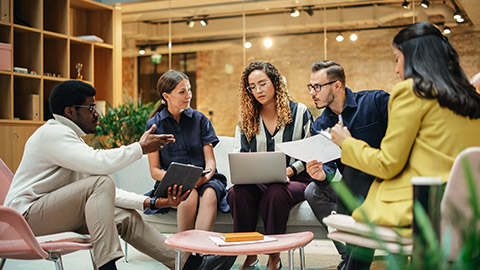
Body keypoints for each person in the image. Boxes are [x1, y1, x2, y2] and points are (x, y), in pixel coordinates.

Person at [3, 80, 233, 270]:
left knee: (125, 217)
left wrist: (152, 201)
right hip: (25, 219)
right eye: (90, 109)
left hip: (53, 212)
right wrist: (139, 148)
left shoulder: (71, 141)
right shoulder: (53, 134)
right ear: (69, 112)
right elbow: (99, 165)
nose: (97, 114)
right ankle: (107, 267)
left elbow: (106, 191)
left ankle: (187, 263)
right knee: (100, 182)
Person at [330, 22, 480, 269]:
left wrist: (347, 143)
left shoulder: (411, 92)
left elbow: (387, 164)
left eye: (397, 59)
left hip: (423, 209)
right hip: (467, 212)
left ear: (414, 59)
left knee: (355, 172)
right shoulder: (472, 100)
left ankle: (353, 261)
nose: (397, 70)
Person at [227, 61, 314, 270]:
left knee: (276, 192)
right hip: (258, 182)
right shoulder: (247, 119)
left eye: (262, 84)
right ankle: (250, 255)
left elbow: (310, 152)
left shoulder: (300, 112)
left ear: (275, 82)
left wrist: (290, 170)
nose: (258, 90)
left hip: (294, 180)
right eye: (252, 87)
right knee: (236, 193)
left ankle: (274, 255)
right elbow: (240, 155)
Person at [304, 60, 389, 269]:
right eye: (310, 87)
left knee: (355, 181)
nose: (312, 93)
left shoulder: (376, 101)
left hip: (385, 179)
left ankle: (351, 262)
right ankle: (348, 254)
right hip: (351, 187)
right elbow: (331, 167)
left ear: (337, 85)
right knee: (314, 189)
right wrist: (322, 174)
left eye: (317, 87)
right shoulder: (320, 125)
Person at [145, 70, 230, 233]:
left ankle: (202, 251)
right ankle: (185, 253)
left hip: (205, 179)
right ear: (166, 96)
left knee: (211, 193)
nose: (188, 95)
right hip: (173, 183)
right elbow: (155, 171)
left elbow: (210, 161)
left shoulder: (200, 120)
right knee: (187, 195)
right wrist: (181, 179)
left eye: (189, 90)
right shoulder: (154, 126)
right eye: (182, 91)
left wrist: (205, 177)